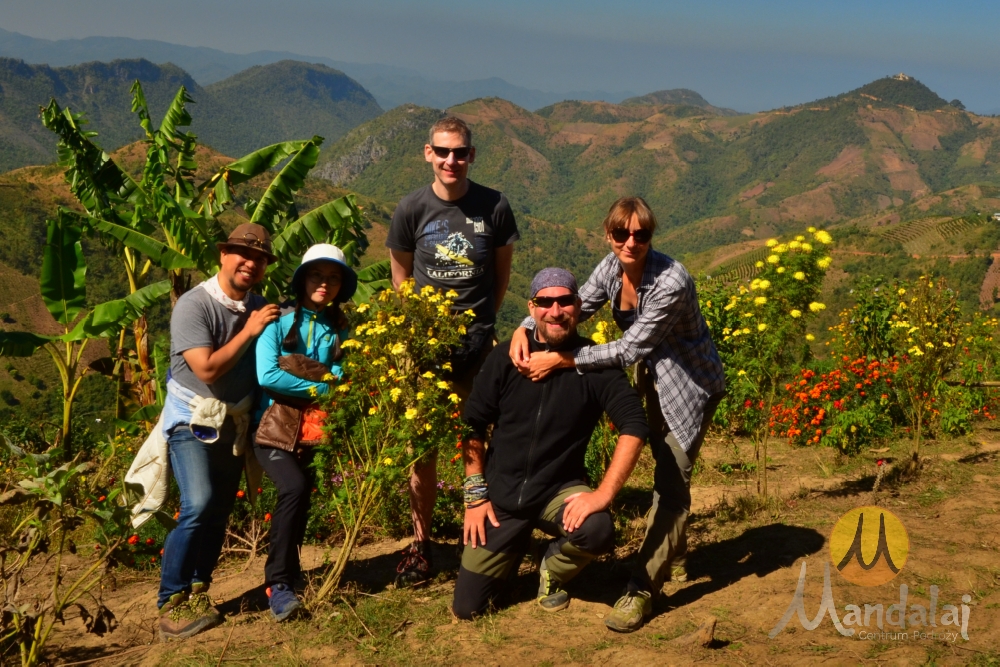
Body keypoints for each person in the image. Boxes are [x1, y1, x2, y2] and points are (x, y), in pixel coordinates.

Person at [509, 196, 726, 633]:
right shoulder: (611, 269)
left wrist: (563, 361)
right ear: (608, 235)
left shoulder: (671, 280)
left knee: (670, 483)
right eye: (622, 234)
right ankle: (676, 554)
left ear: (650, 235)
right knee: (667, 477)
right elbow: (576, 307)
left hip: (689, 385)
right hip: (652, 378)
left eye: (641, 234)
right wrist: (525, 325)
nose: (632, 242)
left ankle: (643, 589)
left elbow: (631, 349)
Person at [452, 268, 648, 619]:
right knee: (469, 608)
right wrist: (475, 494)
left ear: (578, 305)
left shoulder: (595, 364)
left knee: (597, 529)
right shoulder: (506, 359)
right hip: (501, 496)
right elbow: (473, 424)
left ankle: (552, 569)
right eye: (545, 302)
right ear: (532, 307)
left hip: (557, 489)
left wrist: (602, 495)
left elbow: (634, 425)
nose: (555, 311)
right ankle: (512, 547)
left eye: (565, 301)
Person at [386, 115, 519, 586]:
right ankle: (420, 544)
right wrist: (419, 331)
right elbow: (400, 277)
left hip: (479, 347)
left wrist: (482, 326)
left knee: (476, 442)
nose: (451, 160)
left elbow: (500, 278)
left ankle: (478, 535)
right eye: (442, 151)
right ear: (428, 153)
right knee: (421, 448)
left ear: (471, 155)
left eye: (460, 152)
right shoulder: (411, 209)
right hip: (426, 351)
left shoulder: (495, 206)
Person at [157, 222, 280, 641]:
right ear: (222, 256)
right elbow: (206, 368)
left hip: (234, 423)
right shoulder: (194, 305)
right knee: (199, 501)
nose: (252, 263)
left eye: (260, 258)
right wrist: (250, 329)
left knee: (220, 509)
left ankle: (197, 589)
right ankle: (169, 601)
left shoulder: (259, 306)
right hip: (192, 419)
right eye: (244, 254)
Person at [253, 244, 356, 621]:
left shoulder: (336, 328)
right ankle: (277, 584)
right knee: (293, 488)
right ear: (302, 280)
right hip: (273, 429)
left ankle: (289, 578)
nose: (324, 284)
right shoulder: (276, 321)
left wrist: (331, 378)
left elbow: (342, 371)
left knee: (302, 499)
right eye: (316, 275)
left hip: (312, 430)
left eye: (332, 278)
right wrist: (323, 387)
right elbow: (268, 376)